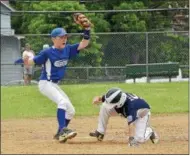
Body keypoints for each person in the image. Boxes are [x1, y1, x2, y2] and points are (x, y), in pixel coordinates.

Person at [22, 13, 92, 143]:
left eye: (65, 36)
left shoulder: (68, 49)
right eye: (61, 37)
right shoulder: (47, 52)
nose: (64, 39)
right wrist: (27, 60)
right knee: (62, 102)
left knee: (71, 111)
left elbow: (84, 43)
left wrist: (87, 30)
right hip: (45, 83)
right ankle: (62, 130)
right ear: (53, 39)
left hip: (54, 85)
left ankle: (59, 134)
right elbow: (33, 60)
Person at [89, 87, 159, 147]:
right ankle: (100, 132)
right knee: (104, 107)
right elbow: (101, 98)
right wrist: (97, 99)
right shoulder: (116, 96)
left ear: (120, 103)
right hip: (127, 110)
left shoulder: (130, 106)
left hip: (142, 114)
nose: (110, 104)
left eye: (112, 104)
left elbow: (130, 124)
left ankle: (149, 131)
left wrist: (131, 139)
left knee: (139, 139)